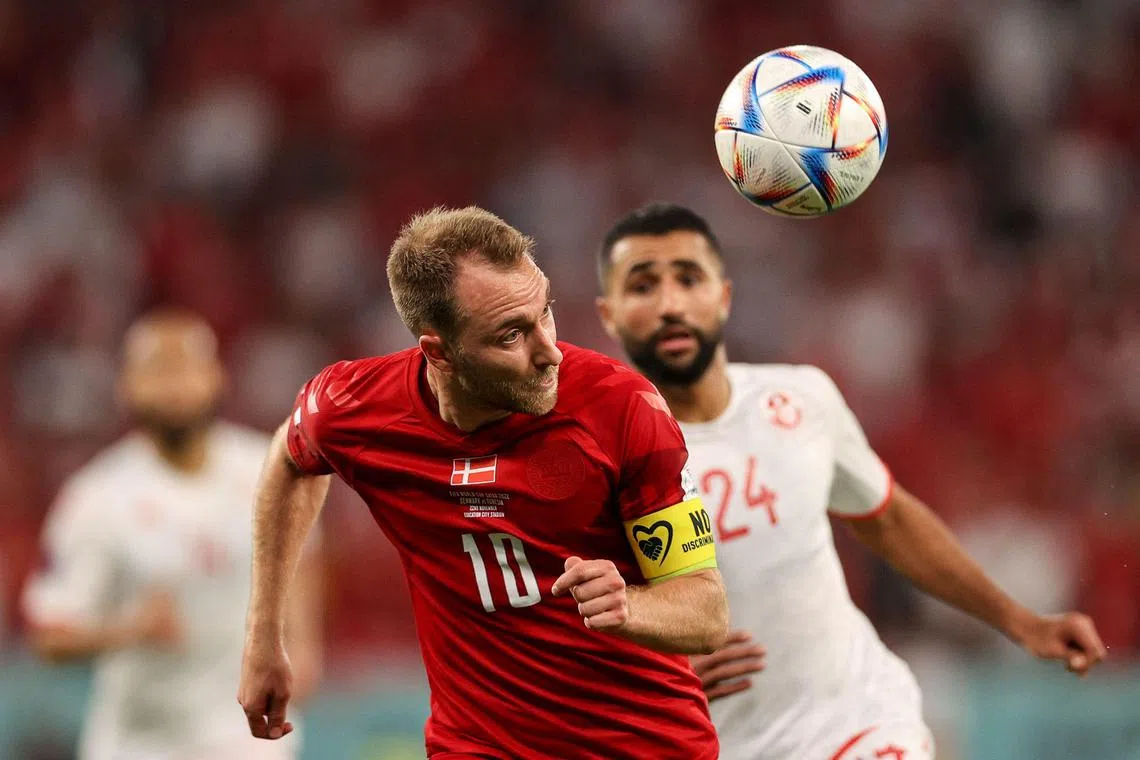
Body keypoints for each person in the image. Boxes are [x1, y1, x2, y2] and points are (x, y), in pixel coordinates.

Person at [594, 203, 1108, 760]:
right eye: (643, 286)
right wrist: (653, 672)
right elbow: (558, 625)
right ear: (609, 314)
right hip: (719, 745)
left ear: (724, 294)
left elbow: (888, 519)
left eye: (688, 278)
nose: (670, 304)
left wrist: (1021, 622)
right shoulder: (598, 459)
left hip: (857, 722)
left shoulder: (801, 398)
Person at [237, 206, 729, 760]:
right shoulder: (356, 409)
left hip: (642, 747)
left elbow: (706, 612)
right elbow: (291, 458)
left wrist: (630, 607)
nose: (549, 351)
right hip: (476, 747)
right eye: (511, 335)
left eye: (545, 313)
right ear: (438, 352)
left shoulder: (622, 408)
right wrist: (264, 636)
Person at [22, 310, 323, 760]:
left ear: (216, 377)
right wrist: (130, 629)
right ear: (127, 387)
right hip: (141, 741)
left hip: (246, 736)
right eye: (158, 372)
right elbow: (48, 633)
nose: (175, 386)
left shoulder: (266, 468)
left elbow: (306, 551)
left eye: (186, 368)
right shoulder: (96, 498)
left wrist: (304, 643)